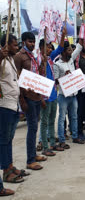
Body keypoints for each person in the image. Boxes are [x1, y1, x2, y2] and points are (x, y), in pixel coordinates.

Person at [14, 32, 47, 170]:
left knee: (34, 127)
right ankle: (30, 160)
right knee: (32, 128)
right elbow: (17, 78)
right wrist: (22, 99)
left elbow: (37, 75)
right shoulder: (19, 57)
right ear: (23, 42)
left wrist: (43, 63)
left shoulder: (34, 56)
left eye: (33, 41)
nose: (32, 44)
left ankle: (33, 155)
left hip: (36, 95)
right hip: (27, 97)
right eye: (29, 41)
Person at [0, 34, 25, 196]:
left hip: (13, 105)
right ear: (6, 45)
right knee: (3, 140)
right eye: (14, 45)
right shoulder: (2, 59)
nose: (17, 48)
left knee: (8, 139)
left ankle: (9, 166)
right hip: (4, 106)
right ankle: (6, 171)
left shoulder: (10, 60)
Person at [39, 27, 67, 156]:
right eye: (47, 47)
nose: (50, 49)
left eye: (51, 47)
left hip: (53, 95)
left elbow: (60, 48)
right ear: (41, 48)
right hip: (44, 97)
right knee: (44, 123)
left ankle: (52, 144)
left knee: (51, 121)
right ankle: (45, 146)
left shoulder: (51, 59)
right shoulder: (38, 60)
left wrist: (63, 35)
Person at [54, 39, 85, 149]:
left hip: (73, 95)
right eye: (68, 50)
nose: (71, 52)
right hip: (63, 95)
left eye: (71, 50)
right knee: (62, 118)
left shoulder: (71, 59)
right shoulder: (57, 64)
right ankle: (62, 140)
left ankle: (75, 137)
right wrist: (64, 77)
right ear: (62, 52)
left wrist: (82, 32)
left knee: (74, 116)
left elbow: (79, 47)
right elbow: (55, 81)